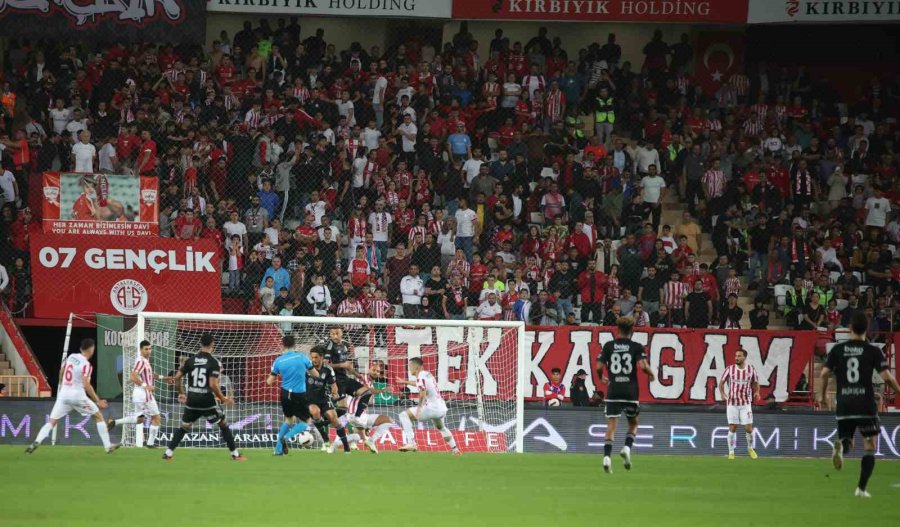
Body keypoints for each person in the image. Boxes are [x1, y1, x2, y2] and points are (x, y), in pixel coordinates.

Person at [818, 312, 900, 498]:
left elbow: (823, 374)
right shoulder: (873, 351)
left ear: (849, 329)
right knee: (869, 446)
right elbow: (887, 377)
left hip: (844, 404)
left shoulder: (838, 350)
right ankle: (861, 489)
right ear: (867, 329)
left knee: (848, 440)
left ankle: (841, 446)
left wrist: (822, 396)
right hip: (865, 404)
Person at [26, 339, 120, 454]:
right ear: (92, 350)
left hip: (64, 394)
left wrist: (61, 384)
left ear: (81, 348)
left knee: (52, 421)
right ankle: (107, 446)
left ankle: (36, 441)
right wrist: (98, 400)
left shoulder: (71, 357)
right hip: (77, 396)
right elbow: (86, 384)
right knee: (98, 416)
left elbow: (62, 371)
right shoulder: (87, 365)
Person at [162, 333, 245, 461]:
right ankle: (235, 454)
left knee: (184, 426)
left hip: (192, 400)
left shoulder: (190, 361)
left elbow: (177, 378)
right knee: (223, 424)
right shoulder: (213, 362)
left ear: (200, 344)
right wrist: (223, 398)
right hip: (207, 401)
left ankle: (168, 454)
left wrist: (181, 393)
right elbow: (212, 384)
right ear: (213, 344)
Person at [597, 316, 655, 473]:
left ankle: (607, 458)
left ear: (618, 328)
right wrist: (651, 374)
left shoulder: (609, 346)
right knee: (634, 423)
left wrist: (601, 376)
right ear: (632, 329)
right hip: (630, 391)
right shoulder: (636, 346)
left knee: (611, 425)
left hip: (613, 390)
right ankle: (627, 448)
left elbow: (598, 366)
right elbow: (643, 366)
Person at [265, 335, 319, 456]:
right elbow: (315, 374)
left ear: (283, 346)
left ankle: (278, 450)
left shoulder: (278, 361)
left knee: (289, 420)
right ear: (295, 345)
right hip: (299, 394)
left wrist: (282, 373)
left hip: (285, 394)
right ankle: (287, 437)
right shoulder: (302, 357)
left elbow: (269, 381)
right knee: (306, 421)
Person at [395, 357, 460, 454]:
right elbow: (420, 384)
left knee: (404, 415)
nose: (409, 368)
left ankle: (411, 443)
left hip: (432, 408)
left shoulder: (420, 376)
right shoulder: (427, 374)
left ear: (416, 367)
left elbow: (422, 393)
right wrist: (405, 382)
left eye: (410, 366)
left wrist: (419, 408)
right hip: (441, 408)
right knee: (441, 427)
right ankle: (455, 450)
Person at [106, 340, 162, 448]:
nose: (149, 351)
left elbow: (150, 375)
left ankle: (114, 422)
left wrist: (163, 378)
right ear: (141, 350)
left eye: (150, 348)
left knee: (139, 419)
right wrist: (147, 386)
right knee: (157, 418)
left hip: (139, 394)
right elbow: (133, 377)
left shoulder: (145, 361)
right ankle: (150, 444)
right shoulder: (141, 361)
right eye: (146, 349)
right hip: (144, 395)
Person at [306, 345, 353, 454]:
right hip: (309, 399)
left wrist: (335, 393)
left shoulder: (328, 369)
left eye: (316, 357)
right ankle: (326, 440)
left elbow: (333, 385)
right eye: (312, 357)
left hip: (323, 398)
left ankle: (346, 447)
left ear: (322, 357)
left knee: (334, 419)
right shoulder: (307, 368)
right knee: (315, 412)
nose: (314, 360)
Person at [718, 348, 760, 460]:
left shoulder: (751, 370)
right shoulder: (730, 369)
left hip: (745, 403)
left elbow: (756, 383)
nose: (736, 358)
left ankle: (750, 448)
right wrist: (722, 394)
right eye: (736, 356)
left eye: (739, 356)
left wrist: (756, 392)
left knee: (748, 428)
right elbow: (721, 383)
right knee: (732, 427)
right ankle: (731, 452)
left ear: (745, 357)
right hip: (732, 403)